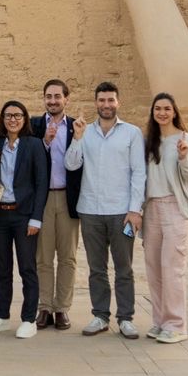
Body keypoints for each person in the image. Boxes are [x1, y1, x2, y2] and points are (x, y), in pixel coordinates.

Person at [64, 81, 146, 339]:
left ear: (118, 102)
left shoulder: (131, 133)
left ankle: (125, 318)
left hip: (122, 212)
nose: (106, 105)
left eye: (110, 100)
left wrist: (135, 210)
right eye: (102, 100)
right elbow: (71, 164)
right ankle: (100, 315)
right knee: (96, 268)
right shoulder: (84, 132)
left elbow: (139, 173)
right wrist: (76, 139)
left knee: (124, 268)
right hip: (90, 210)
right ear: (95, 103)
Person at [0, 100, 48, 339]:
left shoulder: (33, 145)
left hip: (24, 215)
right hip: (1, 213)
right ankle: (2, 316)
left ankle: (29, 318)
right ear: (2, 119)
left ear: (25, 119)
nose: (13, 119)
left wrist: (36, 218)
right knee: (2, 269)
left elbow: (41, 183)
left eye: (18, 115)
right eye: (8, 115)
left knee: (27, 268)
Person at [141, 92, 188, 344]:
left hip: (175, 207)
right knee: (154, 268)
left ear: (174, 112)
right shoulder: (149, 142)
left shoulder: (185, 140)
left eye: (166, 108)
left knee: (172, 268)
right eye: (158, 109)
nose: (162, 113)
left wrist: (184, 158)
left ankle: (176, 324)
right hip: (152, 207)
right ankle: (159, 321)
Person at [33, 78, 83, 330]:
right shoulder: (33, 125)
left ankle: (62, 308)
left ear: (66, 99)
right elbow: (27, 159)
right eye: (48, 97)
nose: (53, 101)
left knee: (67, 256)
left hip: (67, 198)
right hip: (41, 199)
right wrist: (45, 142)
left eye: (57, 97)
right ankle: (44, 307)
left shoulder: (77, 127)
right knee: (43, 256)